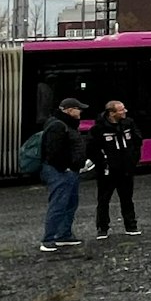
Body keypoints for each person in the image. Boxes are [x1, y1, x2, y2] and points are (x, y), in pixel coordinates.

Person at [38, 98, 88, 252]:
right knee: (59, 204)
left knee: (69, 203)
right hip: (60, 172)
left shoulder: (63, 124)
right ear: (68, 110)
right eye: (78, 108)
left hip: (69, 170)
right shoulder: (59, 126)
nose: (80, 111)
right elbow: (53, 151)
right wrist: (64, 167)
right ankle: (49, 239)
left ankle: (63, 235)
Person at [88, 100, 141, 239]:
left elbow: (137, 141)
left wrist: (133, 160)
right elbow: (92, 149)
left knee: (127, 199)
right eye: (121, 110)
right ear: (111, 113)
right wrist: (103, 163)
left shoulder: (128, 124)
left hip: (126, 168)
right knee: (104, 200)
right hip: (107, 171)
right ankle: (102, 228)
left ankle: (131, 226)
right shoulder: (98, 129)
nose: (125, 112)